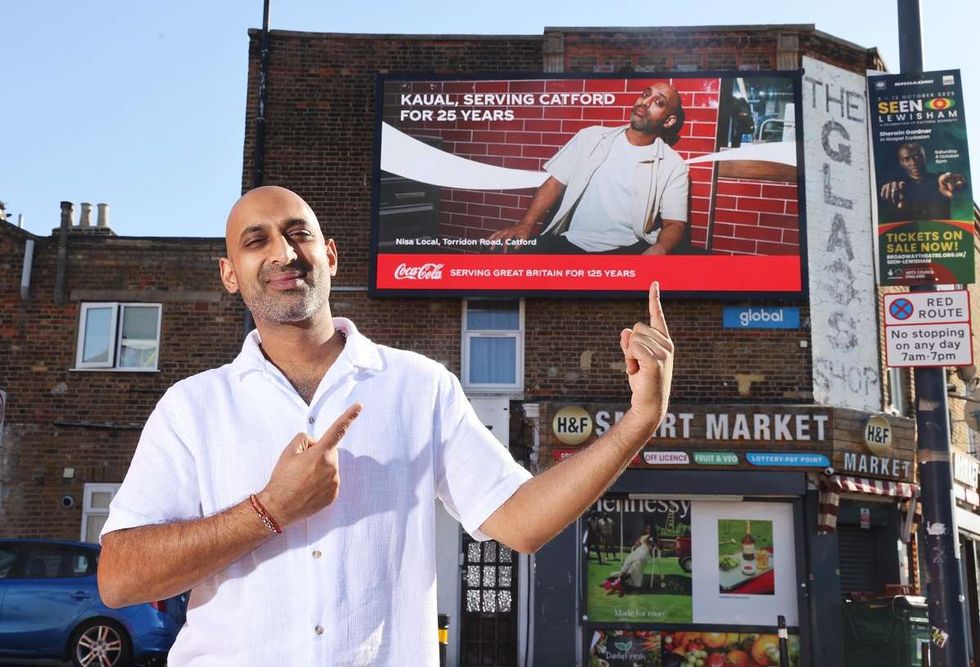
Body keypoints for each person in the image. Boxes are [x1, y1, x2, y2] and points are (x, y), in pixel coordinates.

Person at [97, 186, 674, 666]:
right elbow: (120, 579)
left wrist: (639, 422)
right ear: (230, 274)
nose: (283, 252)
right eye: (257, 240)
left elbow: (521, 522)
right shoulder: (192, 406)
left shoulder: (420, 386)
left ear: (330, 254)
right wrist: (270, 508)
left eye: (298, 233)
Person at [489, 81, 689, 255]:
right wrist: (525, 226)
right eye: (645, 94)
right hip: (572, 241)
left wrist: (659, 249)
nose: (645, 102)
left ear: (669, 121)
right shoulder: (591, 137)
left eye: (658, 102)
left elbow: (675, 223)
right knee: (498, 254)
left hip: (628, 247)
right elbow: (554, 183)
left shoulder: (673, 165)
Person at [878, 142, 967, 222]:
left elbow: (960, 184)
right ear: (901, 163)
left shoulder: (941, 180)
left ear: (925, 157)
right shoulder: (899, 188)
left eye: (917, 157)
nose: (913, 162)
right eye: (906, 159)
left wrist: (958, 182)